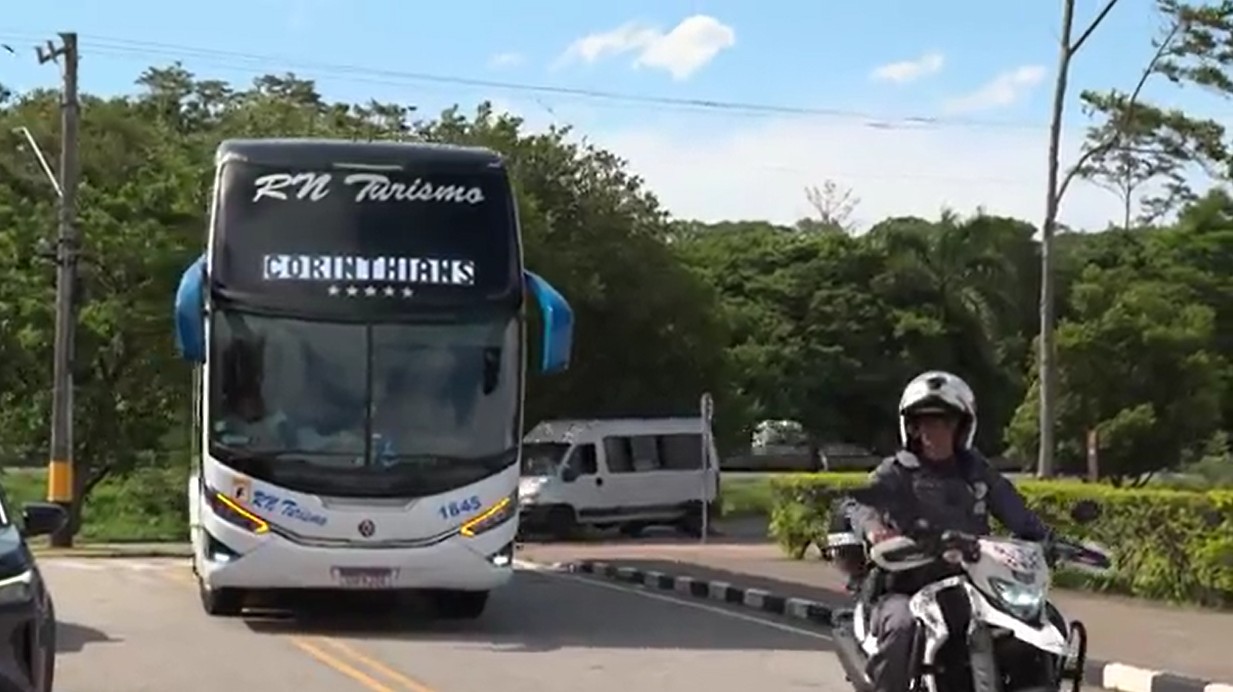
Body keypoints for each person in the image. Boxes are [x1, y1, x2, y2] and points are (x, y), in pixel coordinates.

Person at [844, 370, 1051, 692]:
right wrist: (873, 529)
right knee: (901, 627)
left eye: (944, 422)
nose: (934, 431)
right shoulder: (896, 471)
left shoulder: (977, 472)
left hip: (973, 585)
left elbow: (1017, 513)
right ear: (912, 427)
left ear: (961, 427)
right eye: (925, 422)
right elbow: (858, 504)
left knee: (1035, 623)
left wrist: (1047, 540)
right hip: (907, 586)